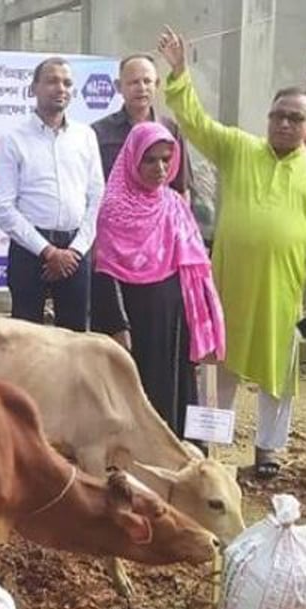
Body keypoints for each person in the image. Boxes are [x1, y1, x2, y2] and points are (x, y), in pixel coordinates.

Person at [159, 26, 306, 477]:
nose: (284, 123)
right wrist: (181, 73)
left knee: (279, 378)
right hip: (230, 286)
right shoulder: (241, 150)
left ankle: (268, 452)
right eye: (278, 115)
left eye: (295, 118)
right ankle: (213, 449)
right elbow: (197, 123)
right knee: (221, 370)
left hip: (285, 291)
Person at [93, 121, 226, 436]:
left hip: (173, 318)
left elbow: (195, 266)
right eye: (150, 160)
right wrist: (117, 325)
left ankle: (175, 450)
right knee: (132, 390)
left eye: (167, 159)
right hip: (131, 319)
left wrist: (201, 321)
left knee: (173, 387)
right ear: (132, 160)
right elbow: (104, 271)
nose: (160, 167)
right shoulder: (113, 210)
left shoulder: (174, 204)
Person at [0, 56, 104, 332]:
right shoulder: (13, 139)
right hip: (30, 251)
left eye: (67, 83)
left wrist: (74, 251)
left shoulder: (85, 136)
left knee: (76, 340)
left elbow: (96, 196)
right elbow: (5, 209)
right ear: (34, 88)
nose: (61, 88)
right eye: (52, 81)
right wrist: (48, 252)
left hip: (76, 250)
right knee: (24, 340)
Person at [92, 53, 192, 193]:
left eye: (147, 81)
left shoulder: (171, 130)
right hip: (115, 212)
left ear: (157, 84)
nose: (141, 88)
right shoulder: (98, 133)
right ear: (118, 86)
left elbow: (182, 188)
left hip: (159, 213)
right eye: (134, 82)